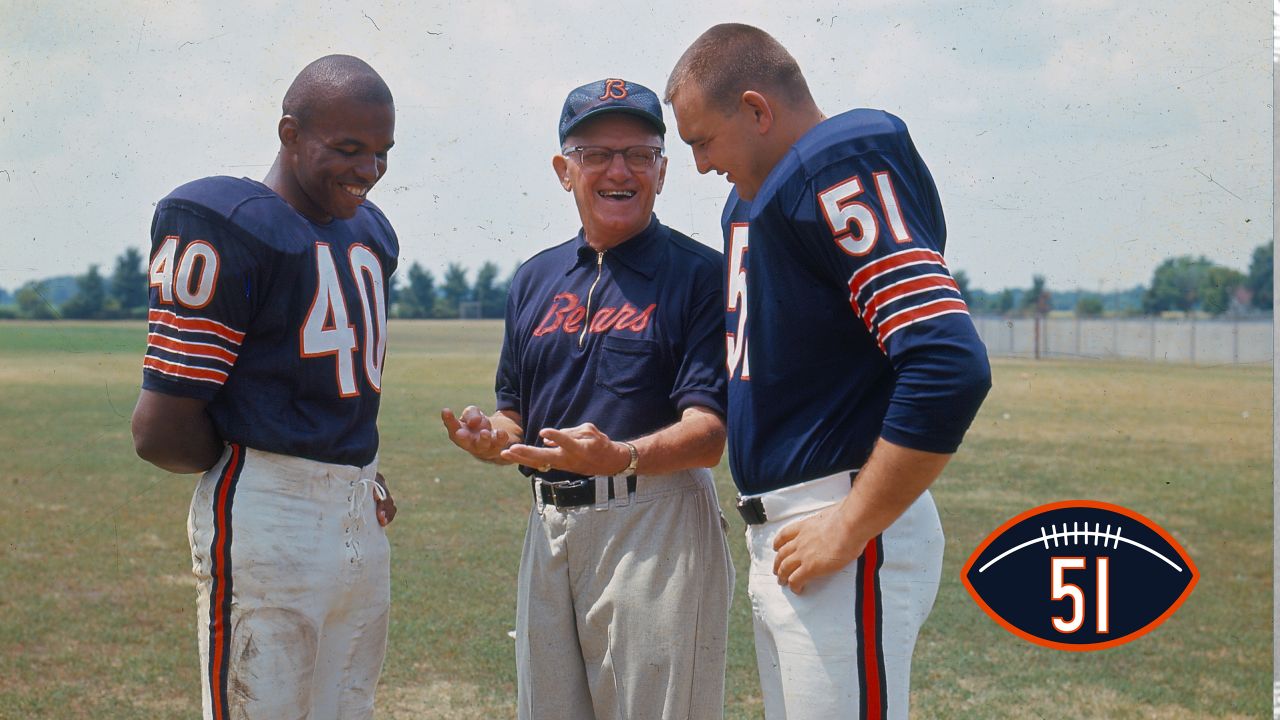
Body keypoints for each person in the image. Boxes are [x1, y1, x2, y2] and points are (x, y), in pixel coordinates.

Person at [665, 24, 992, 720]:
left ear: (757, 109)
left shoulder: (835, 163)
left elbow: (946, 361)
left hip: (839, 524)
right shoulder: (756, 199)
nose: (697, 166)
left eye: (701, 140)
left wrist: (849, 527)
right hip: (790, 531)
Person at [440, 78, 733, 720]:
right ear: (563, 170)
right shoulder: (536, 278)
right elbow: (513, 407)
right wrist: (492, 435)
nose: (618, 170)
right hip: (549, 527)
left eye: (638, 153)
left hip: (652, 520)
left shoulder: (701, 275)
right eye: (595, 153)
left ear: (663, 169)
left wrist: (621, 456)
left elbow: (709, 433)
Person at [130, 54, 400, 720]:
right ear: (289, 134)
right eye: (347, 148)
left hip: (356, 507)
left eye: (381, 152)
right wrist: (260, 467)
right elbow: (159, 429)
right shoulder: (226, 218)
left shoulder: (370, 234)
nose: (367, 168)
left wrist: (343, 471)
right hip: (268, 508)